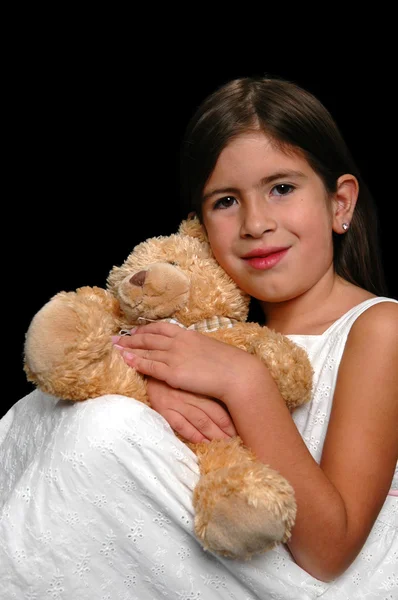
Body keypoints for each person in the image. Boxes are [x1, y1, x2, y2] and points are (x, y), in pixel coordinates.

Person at [1, 76, 397, 600]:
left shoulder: (379, 328)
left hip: (318, 583)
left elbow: (329, 553)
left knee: (104, 426)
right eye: (226, 201)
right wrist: (154, 398)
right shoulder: (211, 330)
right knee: (76, 414)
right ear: (199, 226)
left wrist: (247, 382)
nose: (255, 223)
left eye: (282, 188)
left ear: (340, 203)